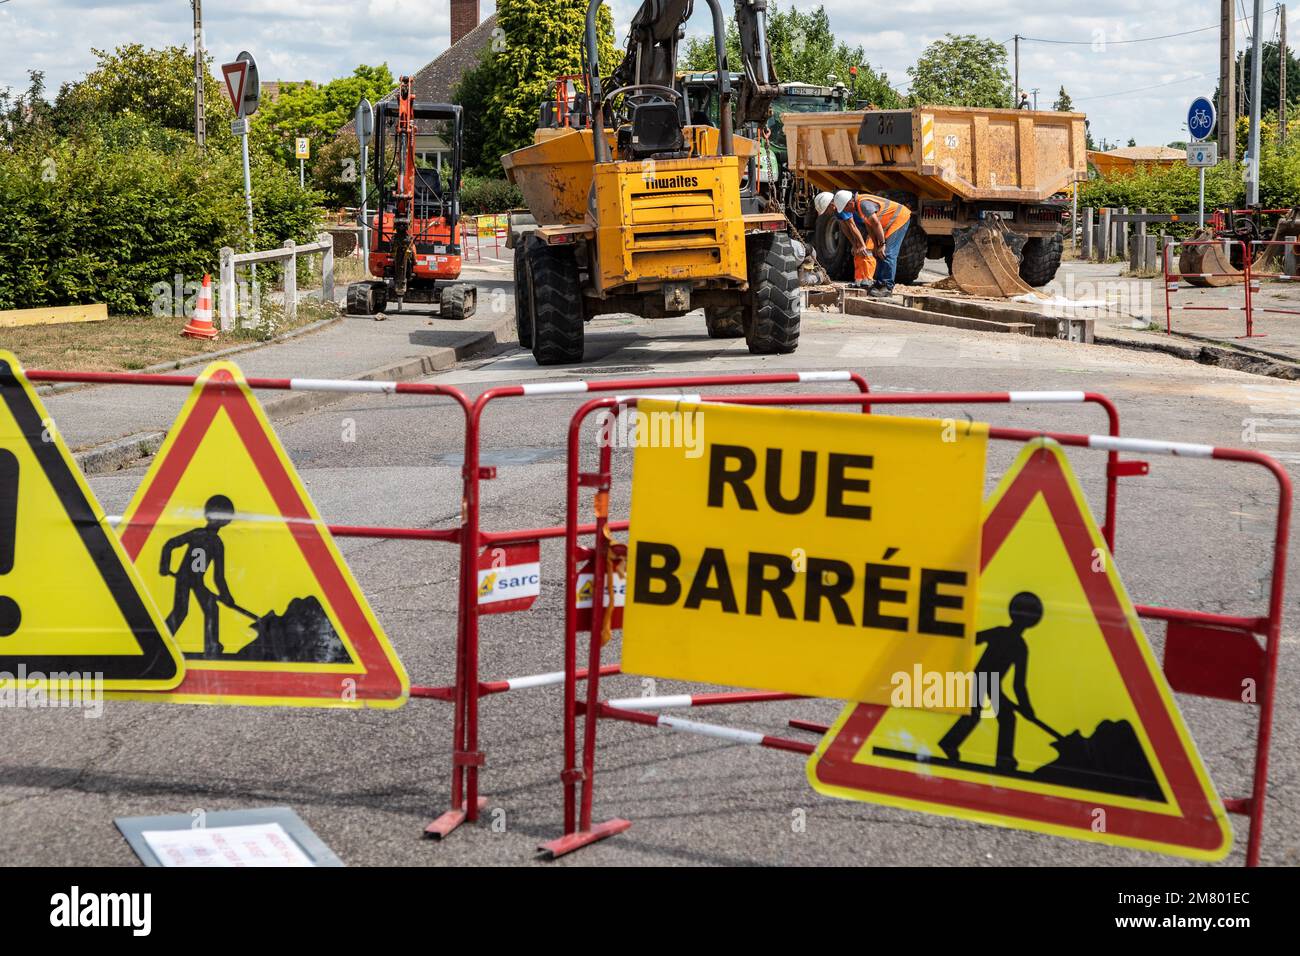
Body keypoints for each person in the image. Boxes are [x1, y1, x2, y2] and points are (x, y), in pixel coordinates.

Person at [938, 591, 1043, 772]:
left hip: (990, 684)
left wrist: (1026, 707)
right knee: (988, 716)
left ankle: (954, 744)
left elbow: (1019, 684)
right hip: (980, 680)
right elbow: (968, 641)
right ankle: (999, 758)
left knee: (1001, 717)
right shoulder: (1012, 641)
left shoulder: (1014, 642)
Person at [159, 494, 249, 658]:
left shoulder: (199, 534)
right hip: (186, 579)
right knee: (182, 612)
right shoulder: (216, 542)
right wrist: (226, 595)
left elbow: (169, 544)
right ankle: (161, 643)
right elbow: (218, 577)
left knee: (207, 608)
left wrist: (165, 565)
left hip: (191, 579)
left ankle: (211, 646)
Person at [814, 189, 912, 297]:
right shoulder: (859, 208)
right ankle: (880, 284)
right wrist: (876, 245)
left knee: (888, 253)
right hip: (885, 223)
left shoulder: (864, 205)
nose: (847, 211)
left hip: (898, 218)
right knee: (877, 253)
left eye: (846, 208)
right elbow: (870, 227)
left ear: (850, 203)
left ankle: (887, 287)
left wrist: (882, 245)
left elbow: (875, 224)